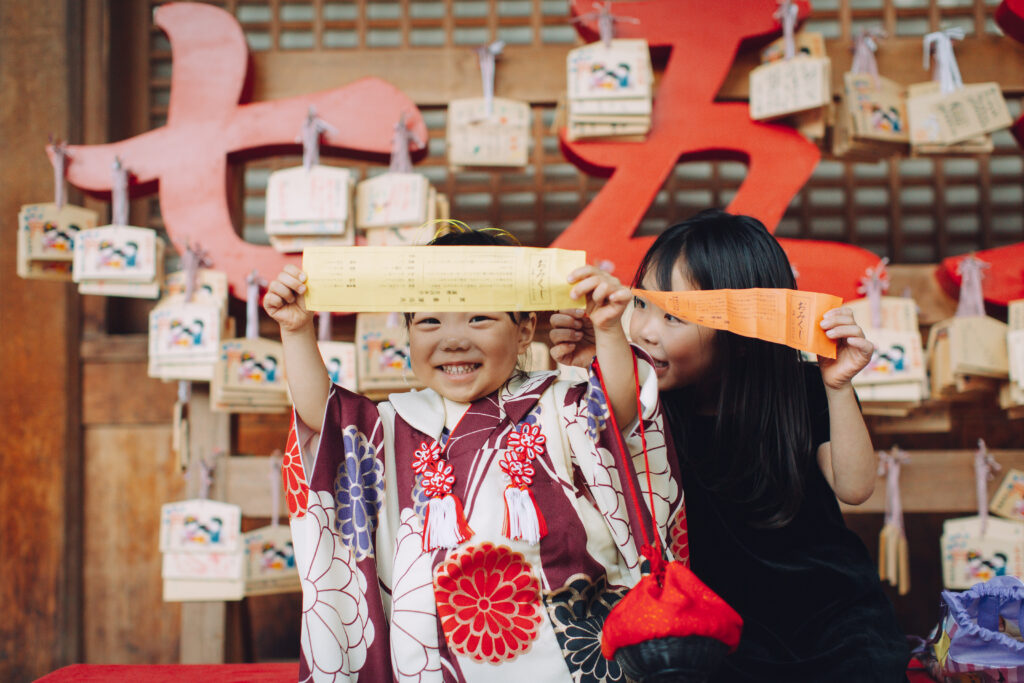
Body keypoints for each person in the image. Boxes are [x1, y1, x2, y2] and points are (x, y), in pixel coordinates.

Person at [264, 228, 687, 682]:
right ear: (406, 333)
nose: (453, 339)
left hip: (565, 660)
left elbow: (619, 416)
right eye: (429, 322)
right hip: (435, 663)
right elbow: (323, 419)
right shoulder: (392, 424)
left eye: (479, 319)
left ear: (524, 329)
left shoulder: (558, 405)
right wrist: (295, 329)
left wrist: (606, 331)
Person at [550, 209, 911, 682]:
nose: (645, 330)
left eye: (674, 316)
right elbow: (601, 455)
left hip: (831, 620)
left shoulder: (803, 388)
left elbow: (855, 487)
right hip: (709, 629)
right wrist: (595, 361)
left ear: (741, 333)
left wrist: (839, 387)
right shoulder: (644, 401)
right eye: (641, 303)